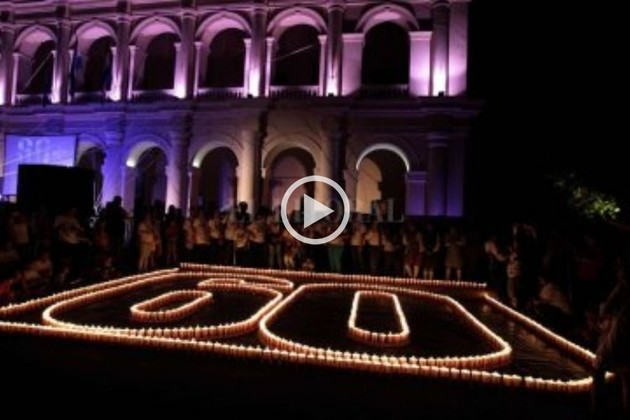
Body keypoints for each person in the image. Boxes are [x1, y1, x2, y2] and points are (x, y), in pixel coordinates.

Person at [592, 253, 630, 417]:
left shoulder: (623, 288)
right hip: (623, 332)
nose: (617, 271)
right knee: (626, 375)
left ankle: (598, 409)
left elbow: (607, 308)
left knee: (599, 368)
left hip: (620, 332)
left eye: (619, 267)